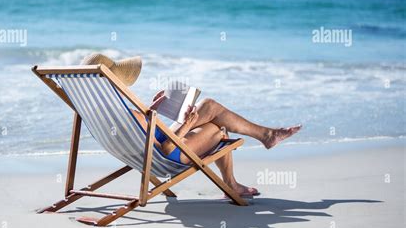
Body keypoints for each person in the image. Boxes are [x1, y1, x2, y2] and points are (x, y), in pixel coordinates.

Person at [82, 53, 301, 198]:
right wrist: (186, 125)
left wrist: (154, 109)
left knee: (210, 110)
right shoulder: (126, 113)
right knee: (215, 118)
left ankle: (262, 140)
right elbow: (166, 147)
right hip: (172, 155)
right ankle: (264, 138)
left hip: (159, 150)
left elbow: (147, 136)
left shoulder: (109, 112)